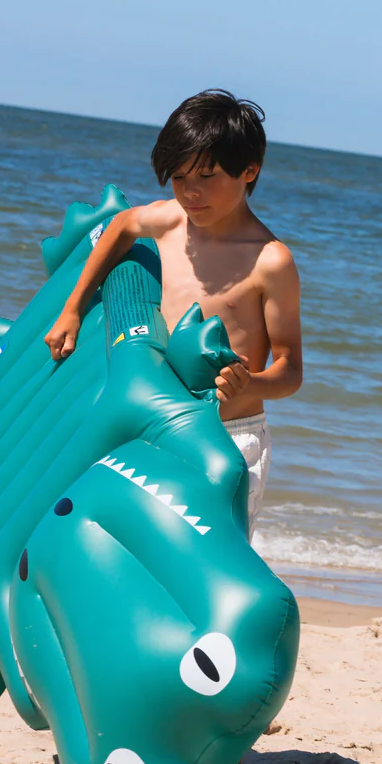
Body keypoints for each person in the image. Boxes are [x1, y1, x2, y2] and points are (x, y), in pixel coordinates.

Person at [44, 90, 302, 537]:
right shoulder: (170, 220)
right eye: (179, 177)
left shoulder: (269, 261)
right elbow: (122, 225)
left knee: (208, 549)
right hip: (155, 422)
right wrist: (73, 308)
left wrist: (252, 383)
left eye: (207, 175)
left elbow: (291, 369)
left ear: (249, 170)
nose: (190, 191)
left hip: (229, 436)